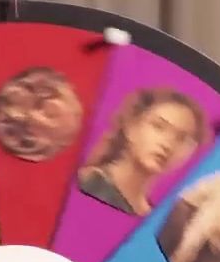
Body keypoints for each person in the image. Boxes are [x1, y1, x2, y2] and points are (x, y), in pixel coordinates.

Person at [76, 88, 207, 215]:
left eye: (182, 138)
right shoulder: (87, 183)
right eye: (158, 127)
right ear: (131, 126)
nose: (168, 145)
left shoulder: (154, 217)